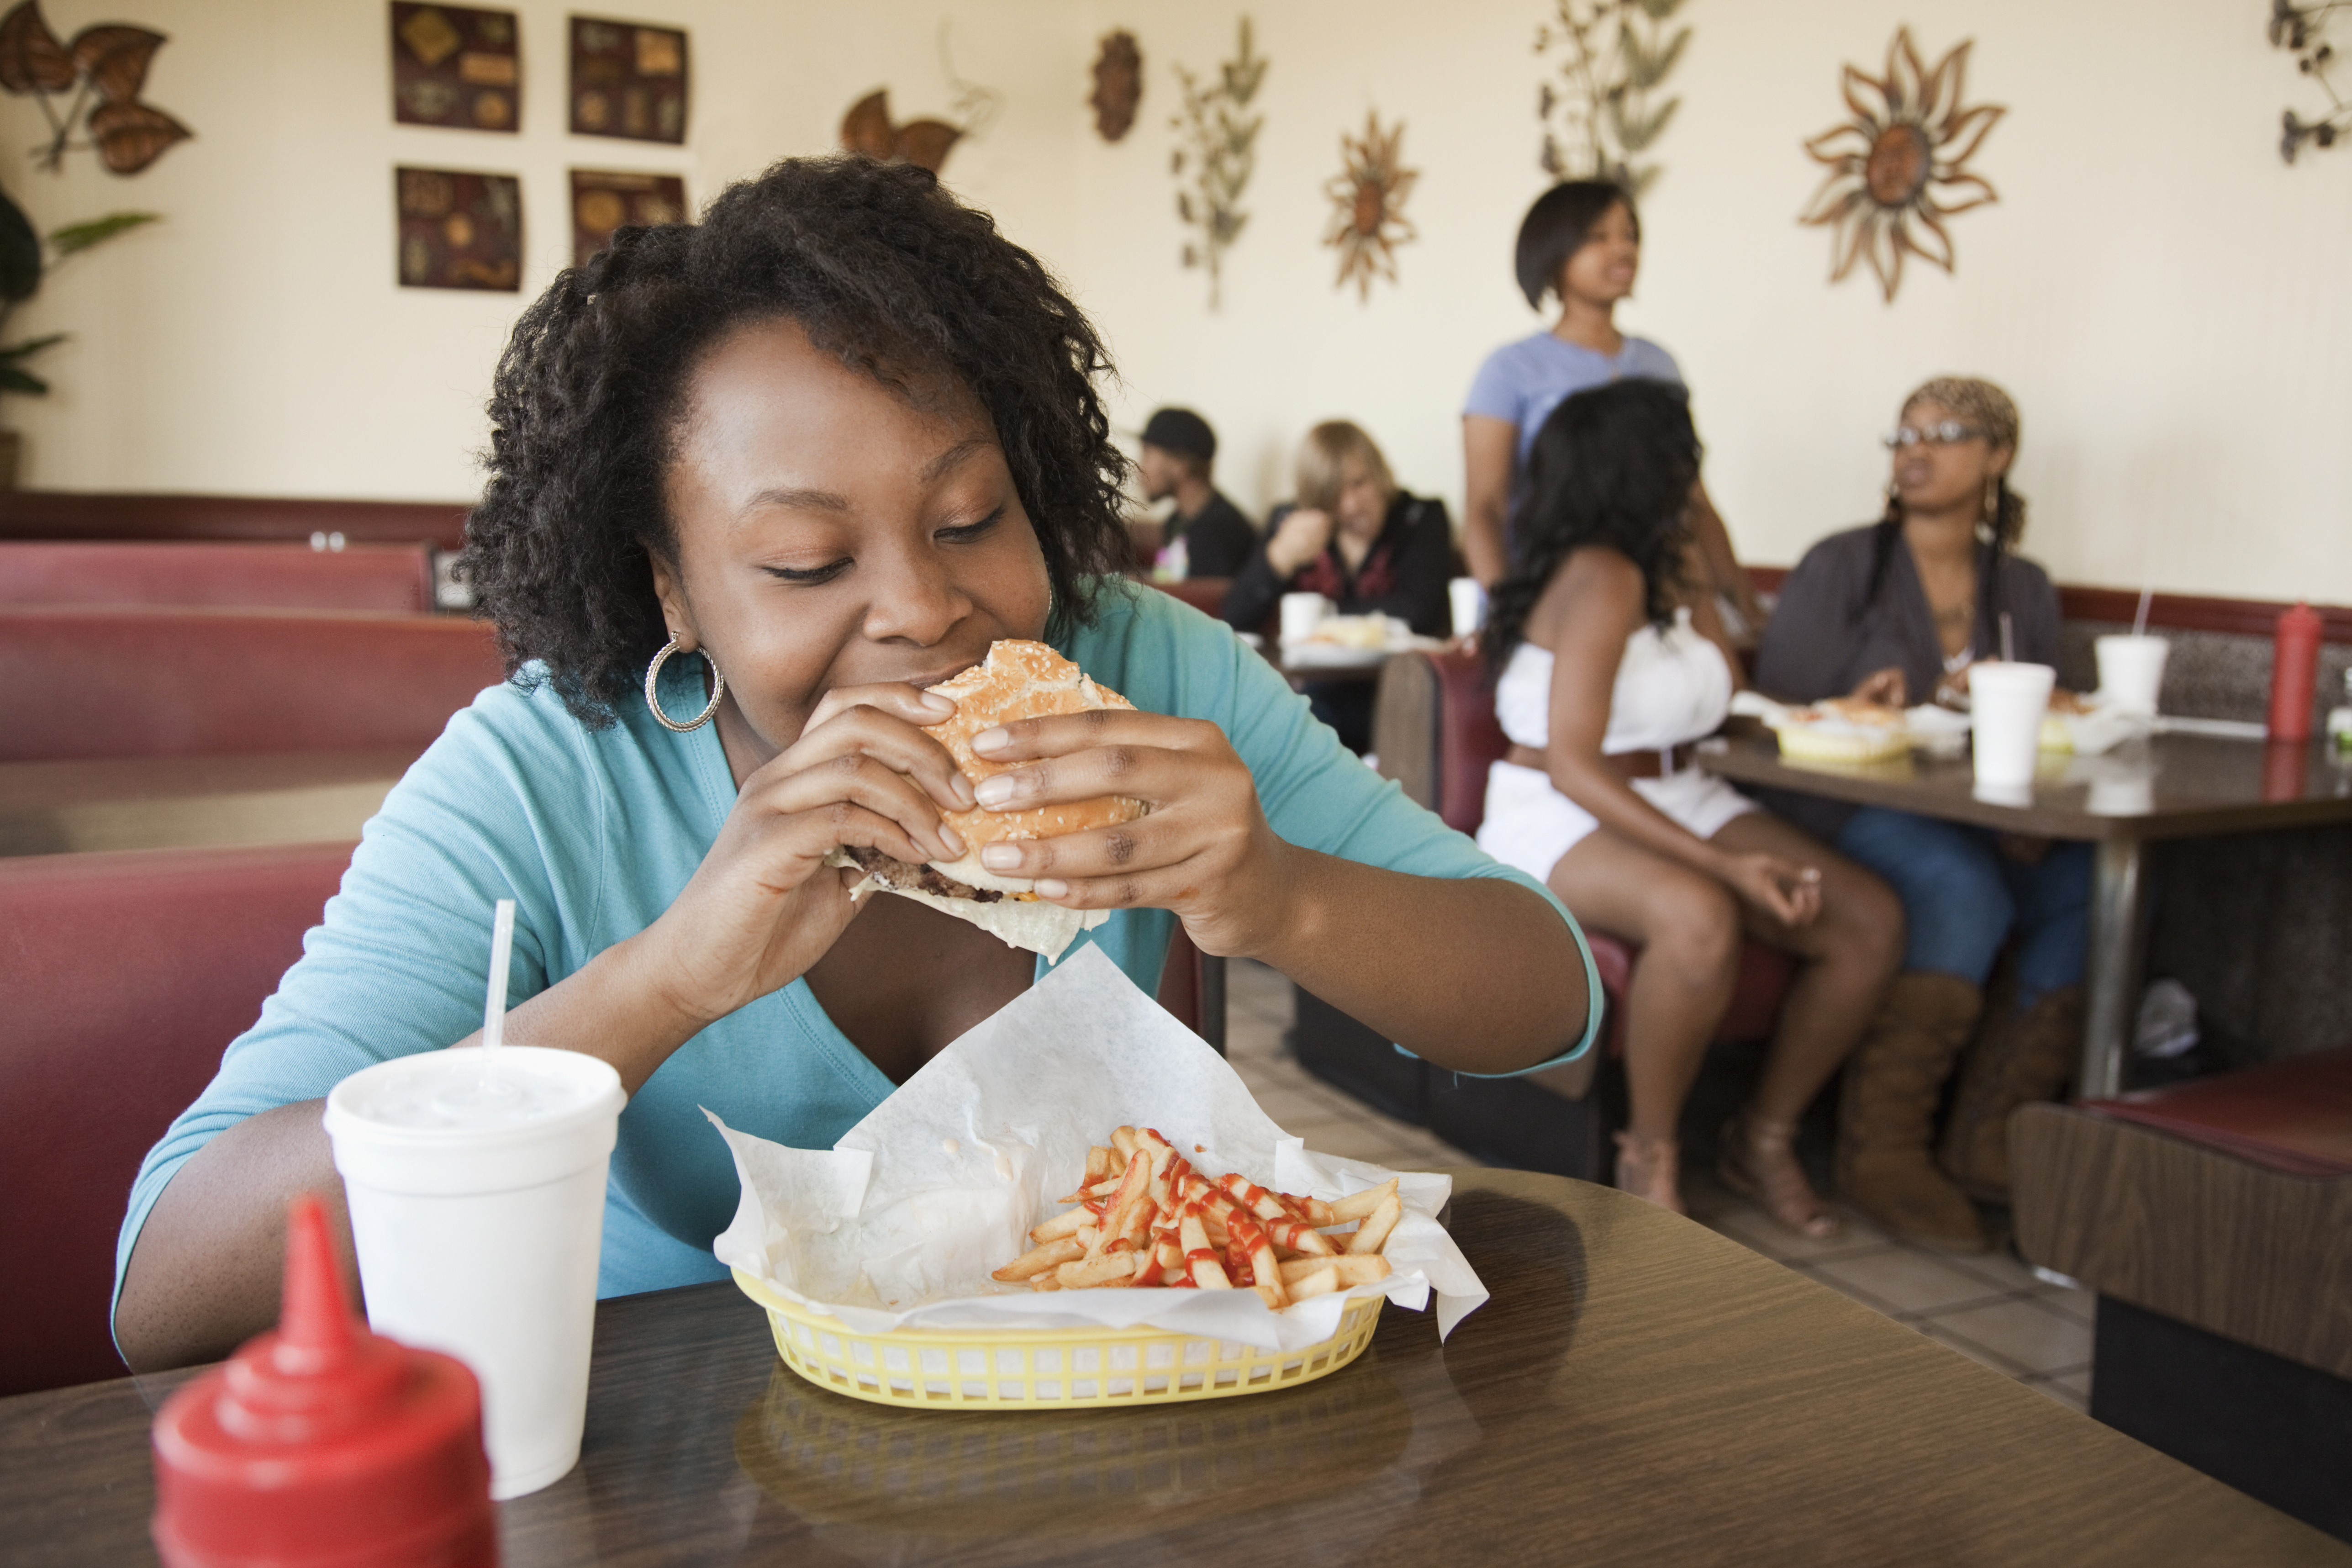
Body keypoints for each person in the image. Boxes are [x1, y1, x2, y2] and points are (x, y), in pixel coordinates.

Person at [111, 157, 1598, 1371]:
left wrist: (1279, 893)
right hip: (665, 1452)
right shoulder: (541, 773)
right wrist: (668, 981)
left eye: (967, 520)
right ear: (672, 587)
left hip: (1102, 1411)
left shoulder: (1143, 665)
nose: (924, 608)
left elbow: (1550, 1000)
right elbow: (170, 1285)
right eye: (806, 559)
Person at [1476, 379, 1903, 1234]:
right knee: (1700, 912)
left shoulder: (1667, 565)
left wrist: (1838, 703)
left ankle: (1765, 1136)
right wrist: (1726, 863)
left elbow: (1717, 694)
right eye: (1684, 456)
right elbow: (1573, 761)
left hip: (1674, 785)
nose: (1696, 472)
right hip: (1559, 805)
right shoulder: (1601, 575)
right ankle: (1651, 1151)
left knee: (1868, 918)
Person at [1753, 376, 2089, 1253]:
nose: (1916, 449)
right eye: (1905, 434)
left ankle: (1988, 1136)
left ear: (1999, 457)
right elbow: (1780, 717)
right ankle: (1883, 1150)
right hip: (1842, 805)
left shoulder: (2024, 587)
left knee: (2091, 884)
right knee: (1963, 887)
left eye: (1945, 432)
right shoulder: (1843, 564)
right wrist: (1860, 703)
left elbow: (2038, 715)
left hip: (1978, 804)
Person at [1461, 180, 1761, 634]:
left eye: (1629, 235)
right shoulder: (1509, 371)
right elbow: (1484, 509)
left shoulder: (1658, 365)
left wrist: (1745, 605)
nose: (1621, 250)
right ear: (1551, 252)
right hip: (1555, 599)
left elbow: (1692, 501)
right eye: (1598, 237)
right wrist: (1509, 615)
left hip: (1662, 599)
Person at [1223, 420, 1453, 754]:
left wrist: (1322, 618)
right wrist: (1279, 558)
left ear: (1380, 472)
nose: (1350, 505)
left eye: (1360, 484)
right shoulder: (1291, 523)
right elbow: (1236, 615)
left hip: (1392, 689)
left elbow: (1420, 610)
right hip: (1310, 690)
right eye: (1333, 495)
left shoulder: (1421, 517)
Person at [1135, 406, 1257, 579]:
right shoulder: (1176, 522)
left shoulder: (1220, 531)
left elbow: (1211, 602)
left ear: (1180, 464)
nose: (1139, 467)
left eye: (1147, 453)